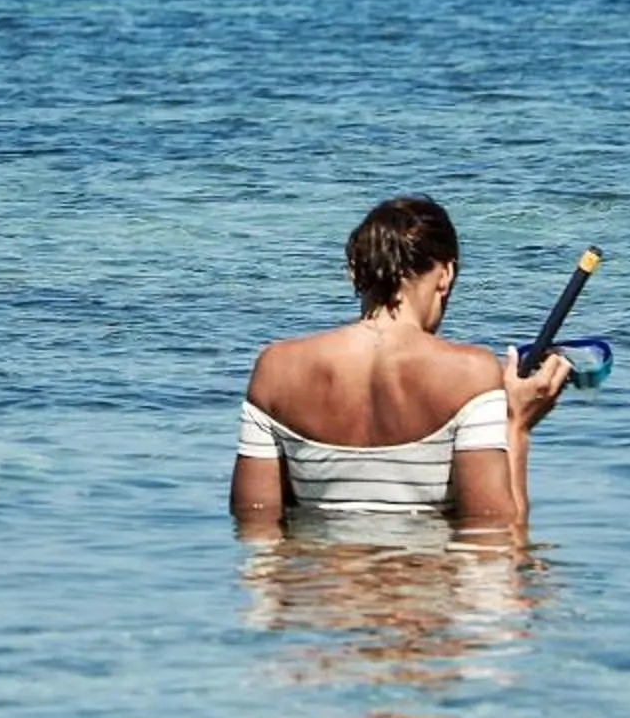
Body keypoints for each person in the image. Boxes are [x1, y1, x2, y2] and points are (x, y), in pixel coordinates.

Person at [229, 196, 569, 531]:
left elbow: (255, 527)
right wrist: (516, 426)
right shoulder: (471, 373)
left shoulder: (276, 369)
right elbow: (497, 538)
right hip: (423, 581)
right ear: (445, 274)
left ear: (355, 272)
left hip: (320, 583)